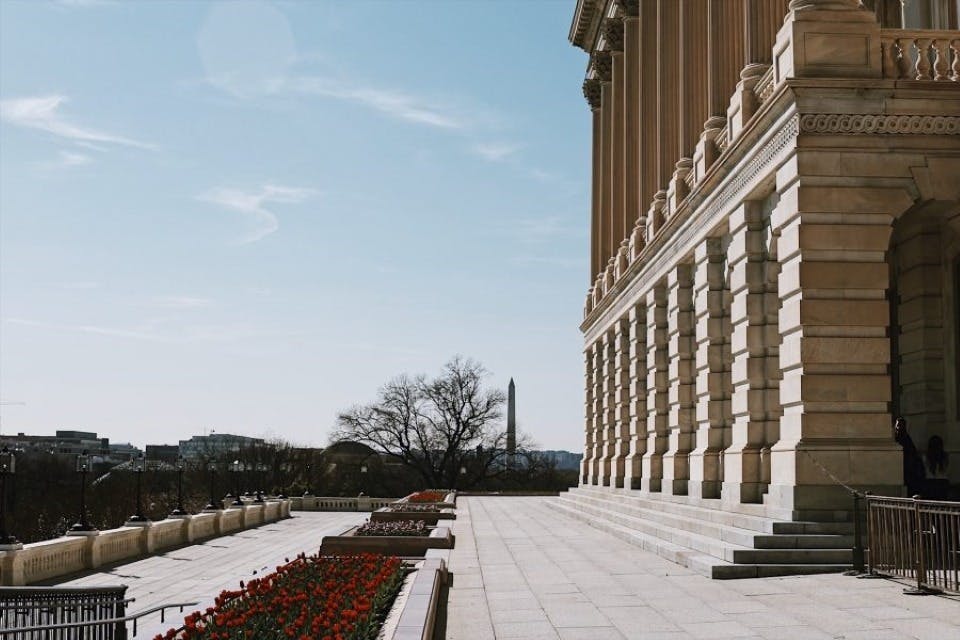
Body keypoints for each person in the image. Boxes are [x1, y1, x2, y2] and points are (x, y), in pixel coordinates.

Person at [894, 416, 925, 496]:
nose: (897, 428)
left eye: (899, 425)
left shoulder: (905, 439)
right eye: (897, 425)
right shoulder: (904, 439)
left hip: (907, 470)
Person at [923, 435, 950, 500]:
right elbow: (948, 471)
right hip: (943, 483)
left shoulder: (926, 457)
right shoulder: (945, 457)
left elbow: (925, 471)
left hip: (930, 483)